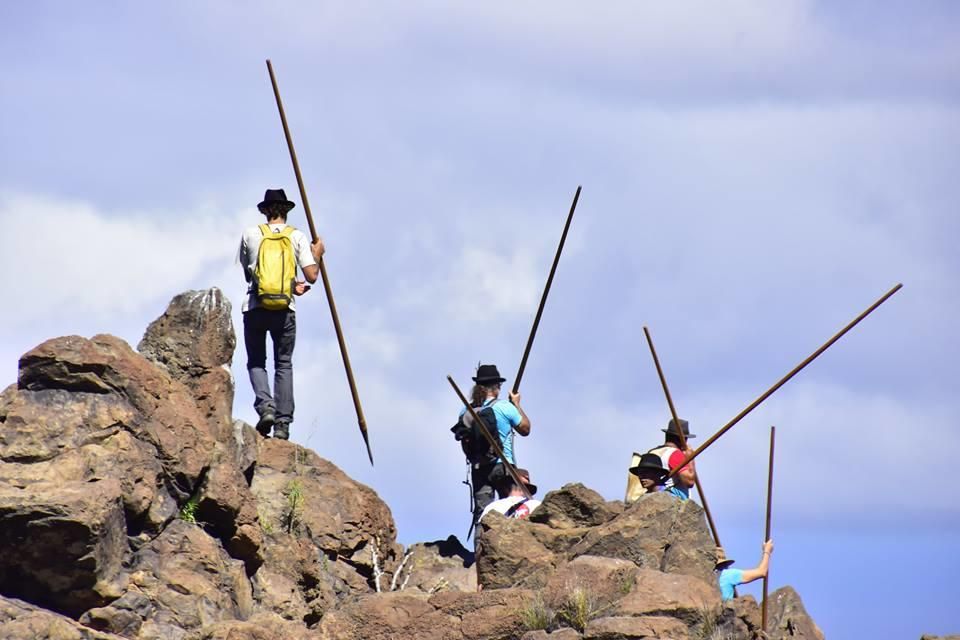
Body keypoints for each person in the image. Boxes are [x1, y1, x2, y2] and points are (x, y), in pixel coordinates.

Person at [238, 189, 324, 440]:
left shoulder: (251, 234)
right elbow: (312, 276)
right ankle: (283, 425)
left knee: (256, 361)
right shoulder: (296, 236)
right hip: (285, 309)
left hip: (255, 305)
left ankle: (266, 407)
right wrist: (316, 254)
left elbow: (248, 274)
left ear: (265, 211)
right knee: (283, 363)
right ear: (286, 210)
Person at [455, 363, 531, 527]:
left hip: (479, 467)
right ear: (496, 386)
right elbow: (525, 428)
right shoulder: (504, 407)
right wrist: (516, 405)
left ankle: (481, 550)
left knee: (482, 515)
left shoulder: (466, 411)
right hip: (504, 466)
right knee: (512, 510)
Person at [647, 418, 697, 501]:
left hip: (651, 498)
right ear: (683, 439)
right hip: (671, 501)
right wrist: (690, 458)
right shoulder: (675, 454)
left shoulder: (652, 452)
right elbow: (689, 481)